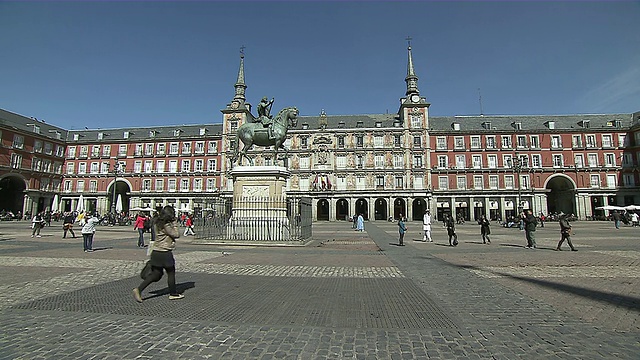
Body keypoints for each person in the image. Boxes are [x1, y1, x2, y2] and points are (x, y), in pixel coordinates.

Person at [133, 205, 184, 302]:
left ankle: (139, 289)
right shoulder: (166, 225)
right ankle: (173, 294)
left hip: (156, 251)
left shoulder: (157, 222)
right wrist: (175, 224)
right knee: (171, 272)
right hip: (164, 251)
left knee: (156, 274)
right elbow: (176, 234)